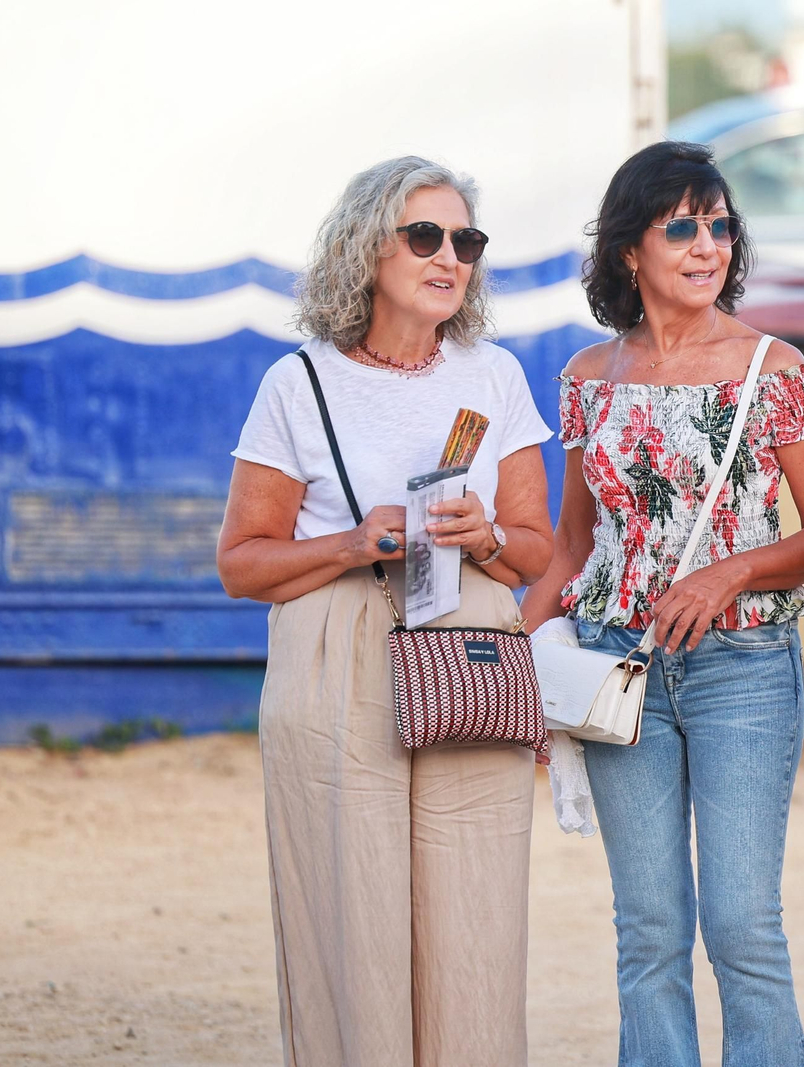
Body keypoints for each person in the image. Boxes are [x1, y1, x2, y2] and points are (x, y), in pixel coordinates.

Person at [520, 141, 804, 1067]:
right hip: (614, 665)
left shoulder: (773, 368)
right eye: (682, 226)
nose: (707, 244)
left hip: (741, 667)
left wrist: (730, 573)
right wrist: (518, 636)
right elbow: (574, 542)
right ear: (632, 250)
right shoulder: (591, 377)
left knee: (742, 926)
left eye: (719, 225)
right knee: (649, 930)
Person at [217, 156, 555, 1067]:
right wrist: (356, 542)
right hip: (338, 656)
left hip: (471, 649)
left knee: (477, 919)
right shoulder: (299, 382)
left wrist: (485, 534)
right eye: (426, 236)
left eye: (467, 241)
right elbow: (241, 565)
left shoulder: (495, 376)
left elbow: (540, 551)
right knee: (351, 914)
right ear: (368, 248)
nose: (451, 257)